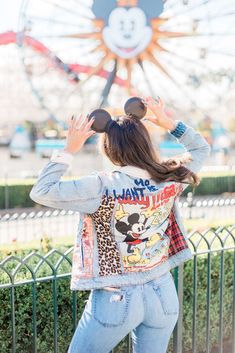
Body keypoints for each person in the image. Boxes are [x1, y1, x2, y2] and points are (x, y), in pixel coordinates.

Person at [30, 96, 210, 353]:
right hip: (163, 291)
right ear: (145, 142)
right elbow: (201, 150)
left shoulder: (102, 186)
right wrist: (170, 123)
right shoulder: (170, 177)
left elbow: (42, 191)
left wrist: (69, 149)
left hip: (117, 296)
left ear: (109, 148)